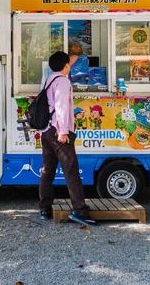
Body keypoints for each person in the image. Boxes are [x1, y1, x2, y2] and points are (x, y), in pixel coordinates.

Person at [39, 51, 96, 225]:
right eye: (69, 63)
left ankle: (44, 208)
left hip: (46, 131)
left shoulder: (49, 80)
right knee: (71, 172)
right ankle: (80, 211)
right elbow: (61, 107)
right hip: (59, 132)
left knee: (47, 171)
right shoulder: (63, 82)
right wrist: (63, 131)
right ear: (66, 65)